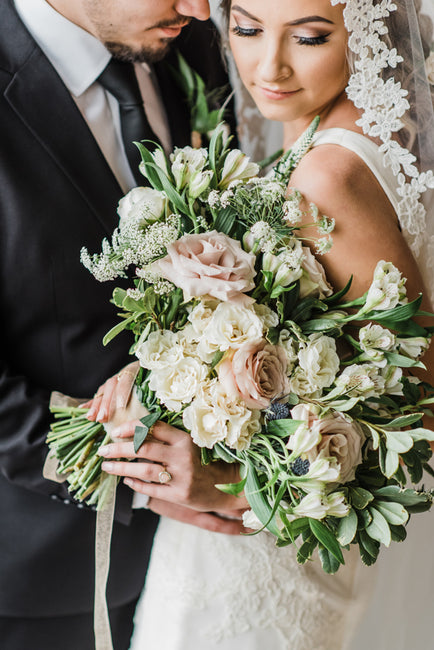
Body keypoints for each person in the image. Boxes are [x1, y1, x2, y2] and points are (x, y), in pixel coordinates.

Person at [97, 0, 434, 649]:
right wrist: (167, 369)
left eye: (308, 37)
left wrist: (233, 487)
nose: (267, 65)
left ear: (365, 33)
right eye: (247, 28)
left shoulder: (327, 176)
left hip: (267, 558)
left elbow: (418, 412)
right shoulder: (334, 123)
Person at [0, 1, 249, 648]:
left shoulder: (187, 45)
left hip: (204, 564)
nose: (201, 9)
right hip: (37, 579)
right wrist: (147, 471)